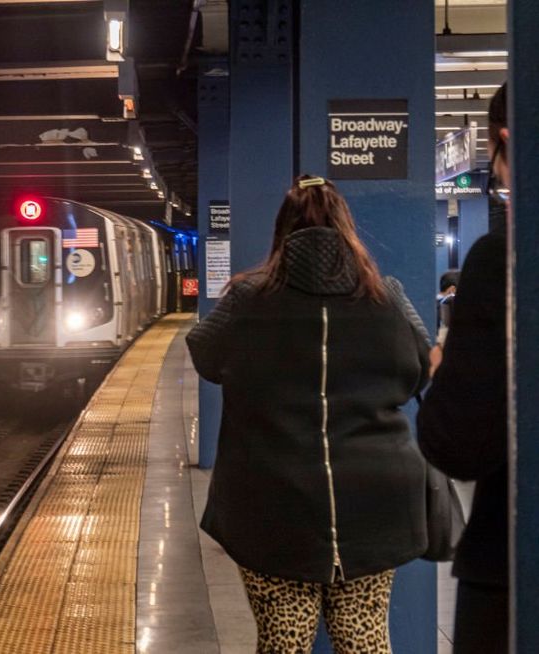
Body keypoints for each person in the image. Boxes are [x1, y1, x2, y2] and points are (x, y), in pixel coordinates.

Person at [186, 175, 430, 653]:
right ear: (346, 229)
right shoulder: (389, 297)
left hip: (271, 506)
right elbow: (421, 367)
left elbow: (204, 354)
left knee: (285, 642)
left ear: (282, 232)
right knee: (364, 641)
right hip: (374, 504)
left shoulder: (246, 299)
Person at [417, 83, 509, 654]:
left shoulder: (503, 260)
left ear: (506, 139)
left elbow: (459, 445)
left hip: (512, 569)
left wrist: (445, 370)